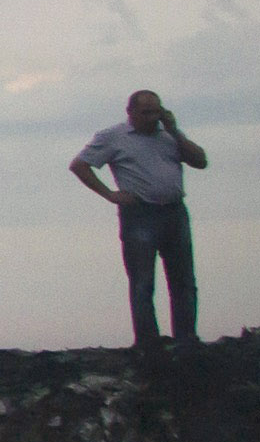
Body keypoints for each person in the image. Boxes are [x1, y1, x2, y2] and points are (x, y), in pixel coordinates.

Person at [71, 90, 207, 350]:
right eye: (146, 112)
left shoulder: (168, 136)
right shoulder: (113, 137)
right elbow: (80, 165)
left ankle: (186, 339)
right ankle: (148, 342)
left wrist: (175, 132)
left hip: (174, 212)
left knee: (184, 281)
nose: (152, 118)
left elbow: (200, 161)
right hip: (140, 215)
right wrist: (109, 194)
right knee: (143, 282)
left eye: (156, 111)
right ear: (130, 112)